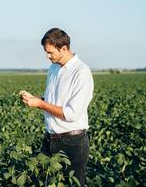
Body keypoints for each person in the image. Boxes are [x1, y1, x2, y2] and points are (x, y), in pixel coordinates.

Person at [19, 28, 94, 186]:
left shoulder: (81, 72)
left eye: (50, 52)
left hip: (73, 142)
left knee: (73, 184)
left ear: (64, 48)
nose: (47, 56)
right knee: (42, 181)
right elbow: (53, 101)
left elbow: (70, 114)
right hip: (50, 138)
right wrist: (35, 99)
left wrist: (40, 104)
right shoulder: (53, 69)